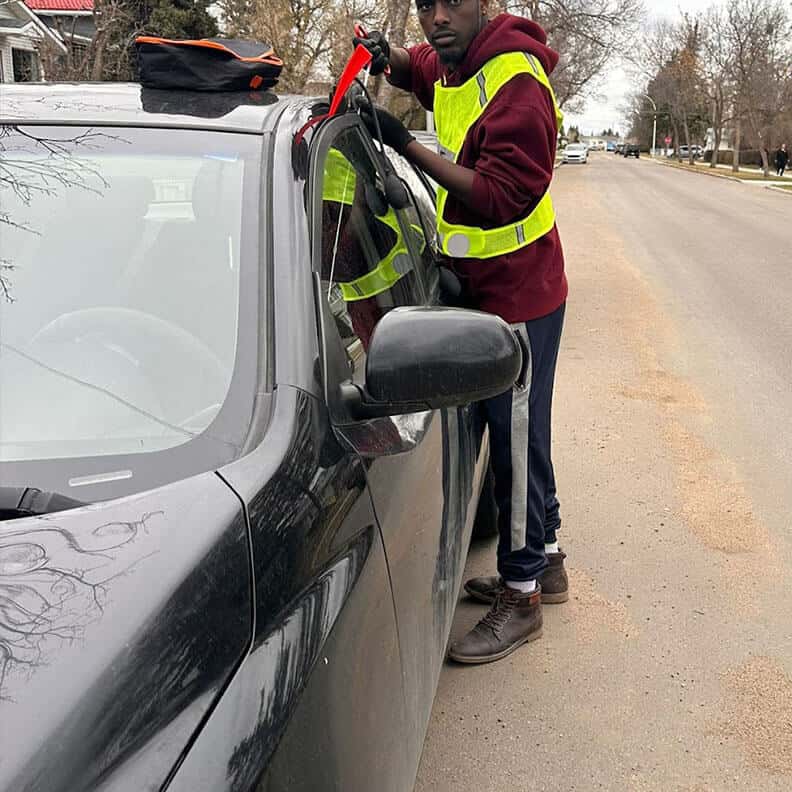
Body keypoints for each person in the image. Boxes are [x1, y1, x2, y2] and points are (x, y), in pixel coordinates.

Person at [354, 0, 568, 665]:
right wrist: (385, 57)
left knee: (515, 442)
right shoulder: (455, 59)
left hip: (522, 293)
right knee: (521, 436)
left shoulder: (519, 85)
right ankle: (548, 561)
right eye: (425, 5)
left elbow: (501, 197)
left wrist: (403, 143)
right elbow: (420, 69)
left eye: (452, 3)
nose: (436, 18)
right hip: (483, 286)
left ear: (486, 3)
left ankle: (523, 593)